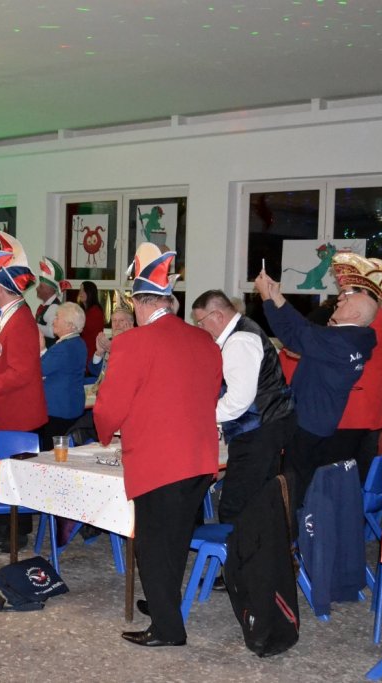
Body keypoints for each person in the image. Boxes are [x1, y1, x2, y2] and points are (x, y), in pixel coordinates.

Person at [93, 243, 222, 648]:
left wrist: (106, 432)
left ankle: (168, 629)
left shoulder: (133, 342)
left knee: (150, 546)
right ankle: (164, 604)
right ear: (169, 300)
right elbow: (207, 394)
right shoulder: (204, 340)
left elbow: (109, 405)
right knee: (176, 541)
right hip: (199, 458)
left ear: (137, 302)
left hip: (159, 462)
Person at [253, 265, 377, 506]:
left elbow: (292, 334)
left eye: (346, 301)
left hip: (308, 422)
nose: (339, 301)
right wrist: (277, 297)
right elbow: (305, 328)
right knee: (304, 477)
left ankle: (293, 525)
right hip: (323, 420)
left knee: (295, 482)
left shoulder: (338, 341)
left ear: (354, 315)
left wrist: (267, 298)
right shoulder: (357, 338)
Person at [190, 289, 294, 525]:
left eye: (201, 322)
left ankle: (240, 549)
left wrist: (199, 414)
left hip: (258, 430)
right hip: (269, 423)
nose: (201, 328)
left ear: (217, 315)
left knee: (235, 506)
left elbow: (238, 402)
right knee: (259, 499)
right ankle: (260, 546)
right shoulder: (246, 330)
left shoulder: (239, 341)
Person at [0, 230, 47, 554]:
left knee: (15, 472)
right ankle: (4, 526)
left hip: (16, 411)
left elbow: (20, 373)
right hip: (7, 408)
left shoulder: (20, 320)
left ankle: (17, 530)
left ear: (0, 288)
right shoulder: (6, 316)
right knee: (4, 470)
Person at [328, 255, 382, 481]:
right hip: (368, 409)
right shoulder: (381, 320)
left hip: (355, 411)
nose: (341, 298)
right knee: (356, 475)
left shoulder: (368, 322)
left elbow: (338, 357)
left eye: (347, 293)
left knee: (342, 478)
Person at [40, 302, 88, 449]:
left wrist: (41, 348)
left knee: (52, 454)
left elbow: (40, 369)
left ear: (69, 325)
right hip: (72, 408)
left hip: (58, 410)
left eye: (57, 317)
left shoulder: (63, 348)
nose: (53, 321)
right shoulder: (79, 343)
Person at [35, 257, 68, 349]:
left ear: (50, 290)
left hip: (49, 351)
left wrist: (33, 325)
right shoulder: (47, 306)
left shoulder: (54, 307)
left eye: (41, 287)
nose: (37, 289)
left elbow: (52, 332)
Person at [77, 281, 106, 358]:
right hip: (84, 349)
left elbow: (81, 329)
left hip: (91, 351)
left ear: (90, 293)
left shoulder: (95, 311)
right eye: (80, 290)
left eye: (83, 290)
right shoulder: (85, 311)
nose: (80, 293)